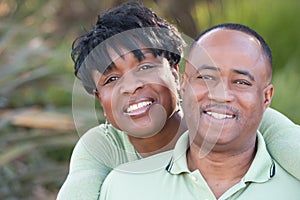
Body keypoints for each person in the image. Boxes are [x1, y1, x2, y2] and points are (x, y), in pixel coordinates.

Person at [57, 2, 300, 199]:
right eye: (111, 79)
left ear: (176, 73)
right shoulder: (103, 149)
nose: (131, 86)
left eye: (145, 67)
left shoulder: (234, 116)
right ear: (99, 98)